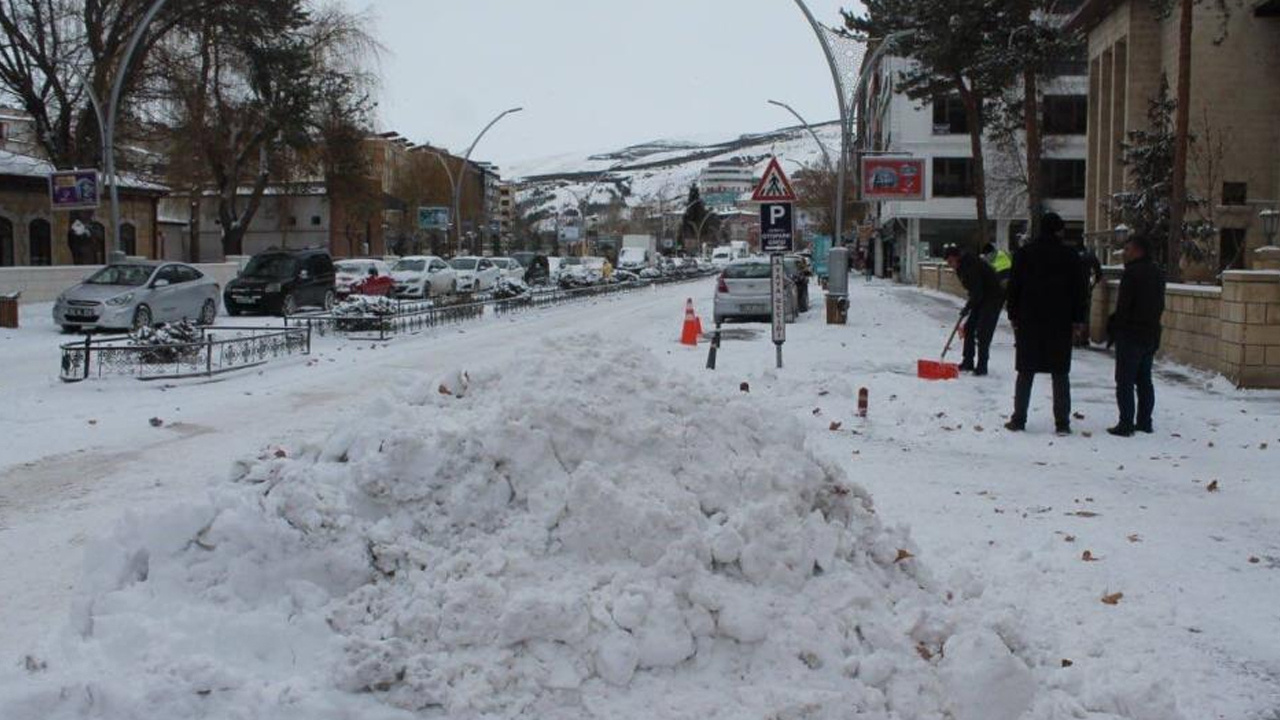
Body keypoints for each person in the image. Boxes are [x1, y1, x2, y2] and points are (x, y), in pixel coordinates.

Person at [1004, 212, 1086, 434]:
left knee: (1025, 370)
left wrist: (1013, 315)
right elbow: (1080, 290)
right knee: (1060, 372)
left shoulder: (1024, 254)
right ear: (1059, 230)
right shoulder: (1070, 256)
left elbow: (1014, 287)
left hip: (1029, 320)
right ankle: (1062, 423)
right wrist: (1078, 320)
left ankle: (1019, 419)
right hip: (1060, 321)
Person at [1107, 235, 1166, 437]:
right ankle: (1144, 421)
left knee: (1125, 380)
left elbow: (1124, 306)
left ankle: (1126, 422)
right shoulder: (1158, 273)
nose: (1125, 253)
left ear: (1139, 250)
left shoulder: (1131, 274)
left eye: (1128, 249)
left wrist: (1115, 328)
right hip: (1150, 332)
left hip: (1131, 333)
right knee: (1144, 380)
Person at [944, 245, 1004, 376]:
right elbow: (975, 292)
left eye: (950, 262)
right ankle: (968, 362)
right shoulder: (961, 267)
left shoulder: (971, 266)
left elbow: (977, 292)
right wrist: (969, 306)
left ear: (957, 258)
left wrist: (967, 308)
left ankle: (982, 366)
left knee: (983, 331)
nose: (949, 265)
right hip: (981, 297)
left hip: (993, 298)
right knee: (969, 328)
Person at [1069, 236, 1104, 347]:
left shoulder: (1070, 255)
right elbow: (1098, 272)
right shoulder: (1090, 256)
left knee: (1071, 313)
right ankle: (1083, 337)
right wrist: (1094, 283)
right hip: (1084, 288)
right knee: (1085, 313)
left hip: (1071, 289)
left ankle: (1073, 336)